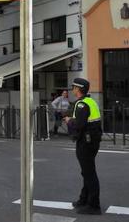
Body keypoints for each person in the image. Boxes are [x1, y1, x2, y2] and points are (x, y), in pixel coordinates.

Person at [63, 77, 102, 215]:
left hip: (86, 142)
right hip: (92, 141)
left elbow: (79, 124)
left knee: (89, 173)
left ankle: (94, 205)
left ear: (78, 89)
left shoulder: (81, 104)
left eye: (73, 87)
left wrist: (68, 120)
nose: (72, 89)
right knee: (87, 171)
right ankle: (84, 199)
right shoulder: (90, 101)